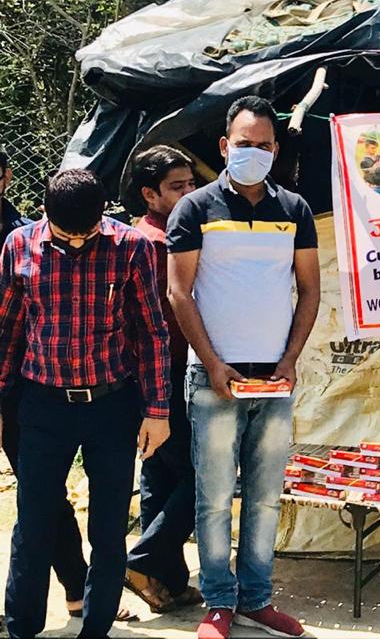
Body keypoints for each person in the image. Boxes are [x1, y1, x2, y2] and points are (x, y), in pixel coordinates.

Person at [167, 96, 320, 639]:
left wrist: (290, 360)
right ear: (224, 146)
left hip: (273, 380)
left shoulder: (295, 210)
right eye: (243, 143)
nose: (252, 152)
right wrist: (212, 363)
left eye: (263, 145)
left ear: (276, 150)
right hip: (214, 378)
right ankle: (218, 602)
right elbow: (179, 292)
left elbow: (309, 289)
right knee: (213, 497)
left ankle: (256, 600)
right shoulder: (195, 209)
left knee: (265, 497)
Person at [0, 169, 171, 639]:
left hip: (111, 406)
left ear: (104, 215)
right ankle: (22, 627)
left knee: (109, 527)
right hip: (42, 406)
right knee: (33, 524)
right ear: (44, 214)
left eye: (87, 234)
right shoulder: (19, 245)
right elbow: (7, 329)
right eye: (65, 236)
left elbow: (152, 331)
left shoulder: (132, 247)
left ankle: (96, 628)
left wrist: (158, 410)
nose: (77, 244)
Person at [0, 152, 92, 623]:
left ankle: (77, 589)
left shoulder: (24, 237)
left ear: (6, 176)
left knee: (43, 495)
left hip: (21, 386)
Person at [123, 146, 203, 613]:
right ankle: (141, 560)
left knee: (161, 473)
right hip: (164, 372)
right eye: (177, 187)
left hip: (155, 373)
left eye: (192, 184)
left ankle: (166, 581)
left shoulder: (158, 233)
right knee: (203, 475)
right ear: (149, 194)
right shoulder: (155, 243)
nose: (189, 193)